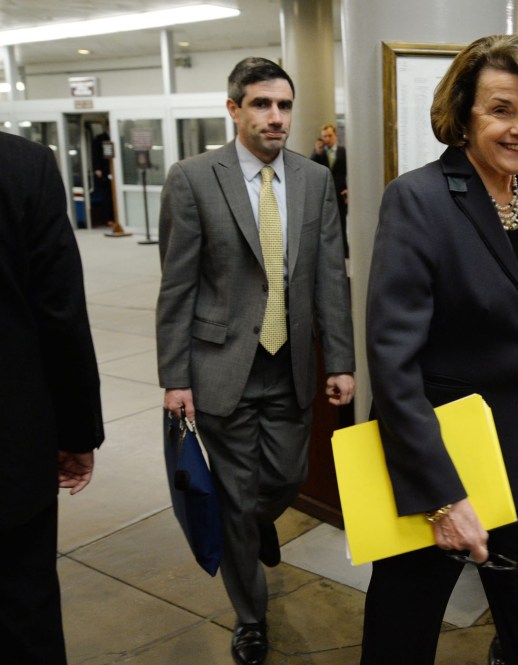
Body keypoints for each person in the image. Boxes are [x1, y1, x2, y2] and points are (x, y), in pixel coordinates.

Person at [362, 34, 518, 665]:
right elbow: (393, 364)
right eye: (502, 110)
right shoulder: (419, 200)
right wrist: (444, 496)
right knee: (399, 642)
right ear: (463, 114)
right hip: (438, 468)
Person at [156, 57, 355, 665]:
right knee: (239, 497)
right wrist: (175, 378)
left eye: (285, 106)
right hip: (222, 367)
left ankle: (256, 522)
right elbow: (177, 286)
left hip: (291, 365)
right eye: (263, 104)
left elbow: (328, 279)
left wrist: (340, 361)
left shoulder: (314, 179)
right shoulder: (192, 178)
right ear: (234, 108)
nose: (276, 117)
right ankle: (250, 616)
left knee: (286, 480)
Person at [1, 131, 104, 664]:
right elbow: (60, 313)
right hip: (11, 450)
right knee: (23, 613)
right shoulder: (23, 165)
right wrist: (76, 434)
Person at [310, 123, 349, 255]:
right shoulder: (320, 153)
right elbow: (310, 167)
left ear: (336, 135)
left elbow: (351, 172)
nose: (327, 139)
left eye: (330, 136)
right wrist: (317, 153)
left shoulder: (344, 151)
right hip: (324, 194)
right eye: (324, 136)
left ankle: (344, 250)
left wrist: (350, 189)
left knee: (342, 223)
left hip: (341, 193)